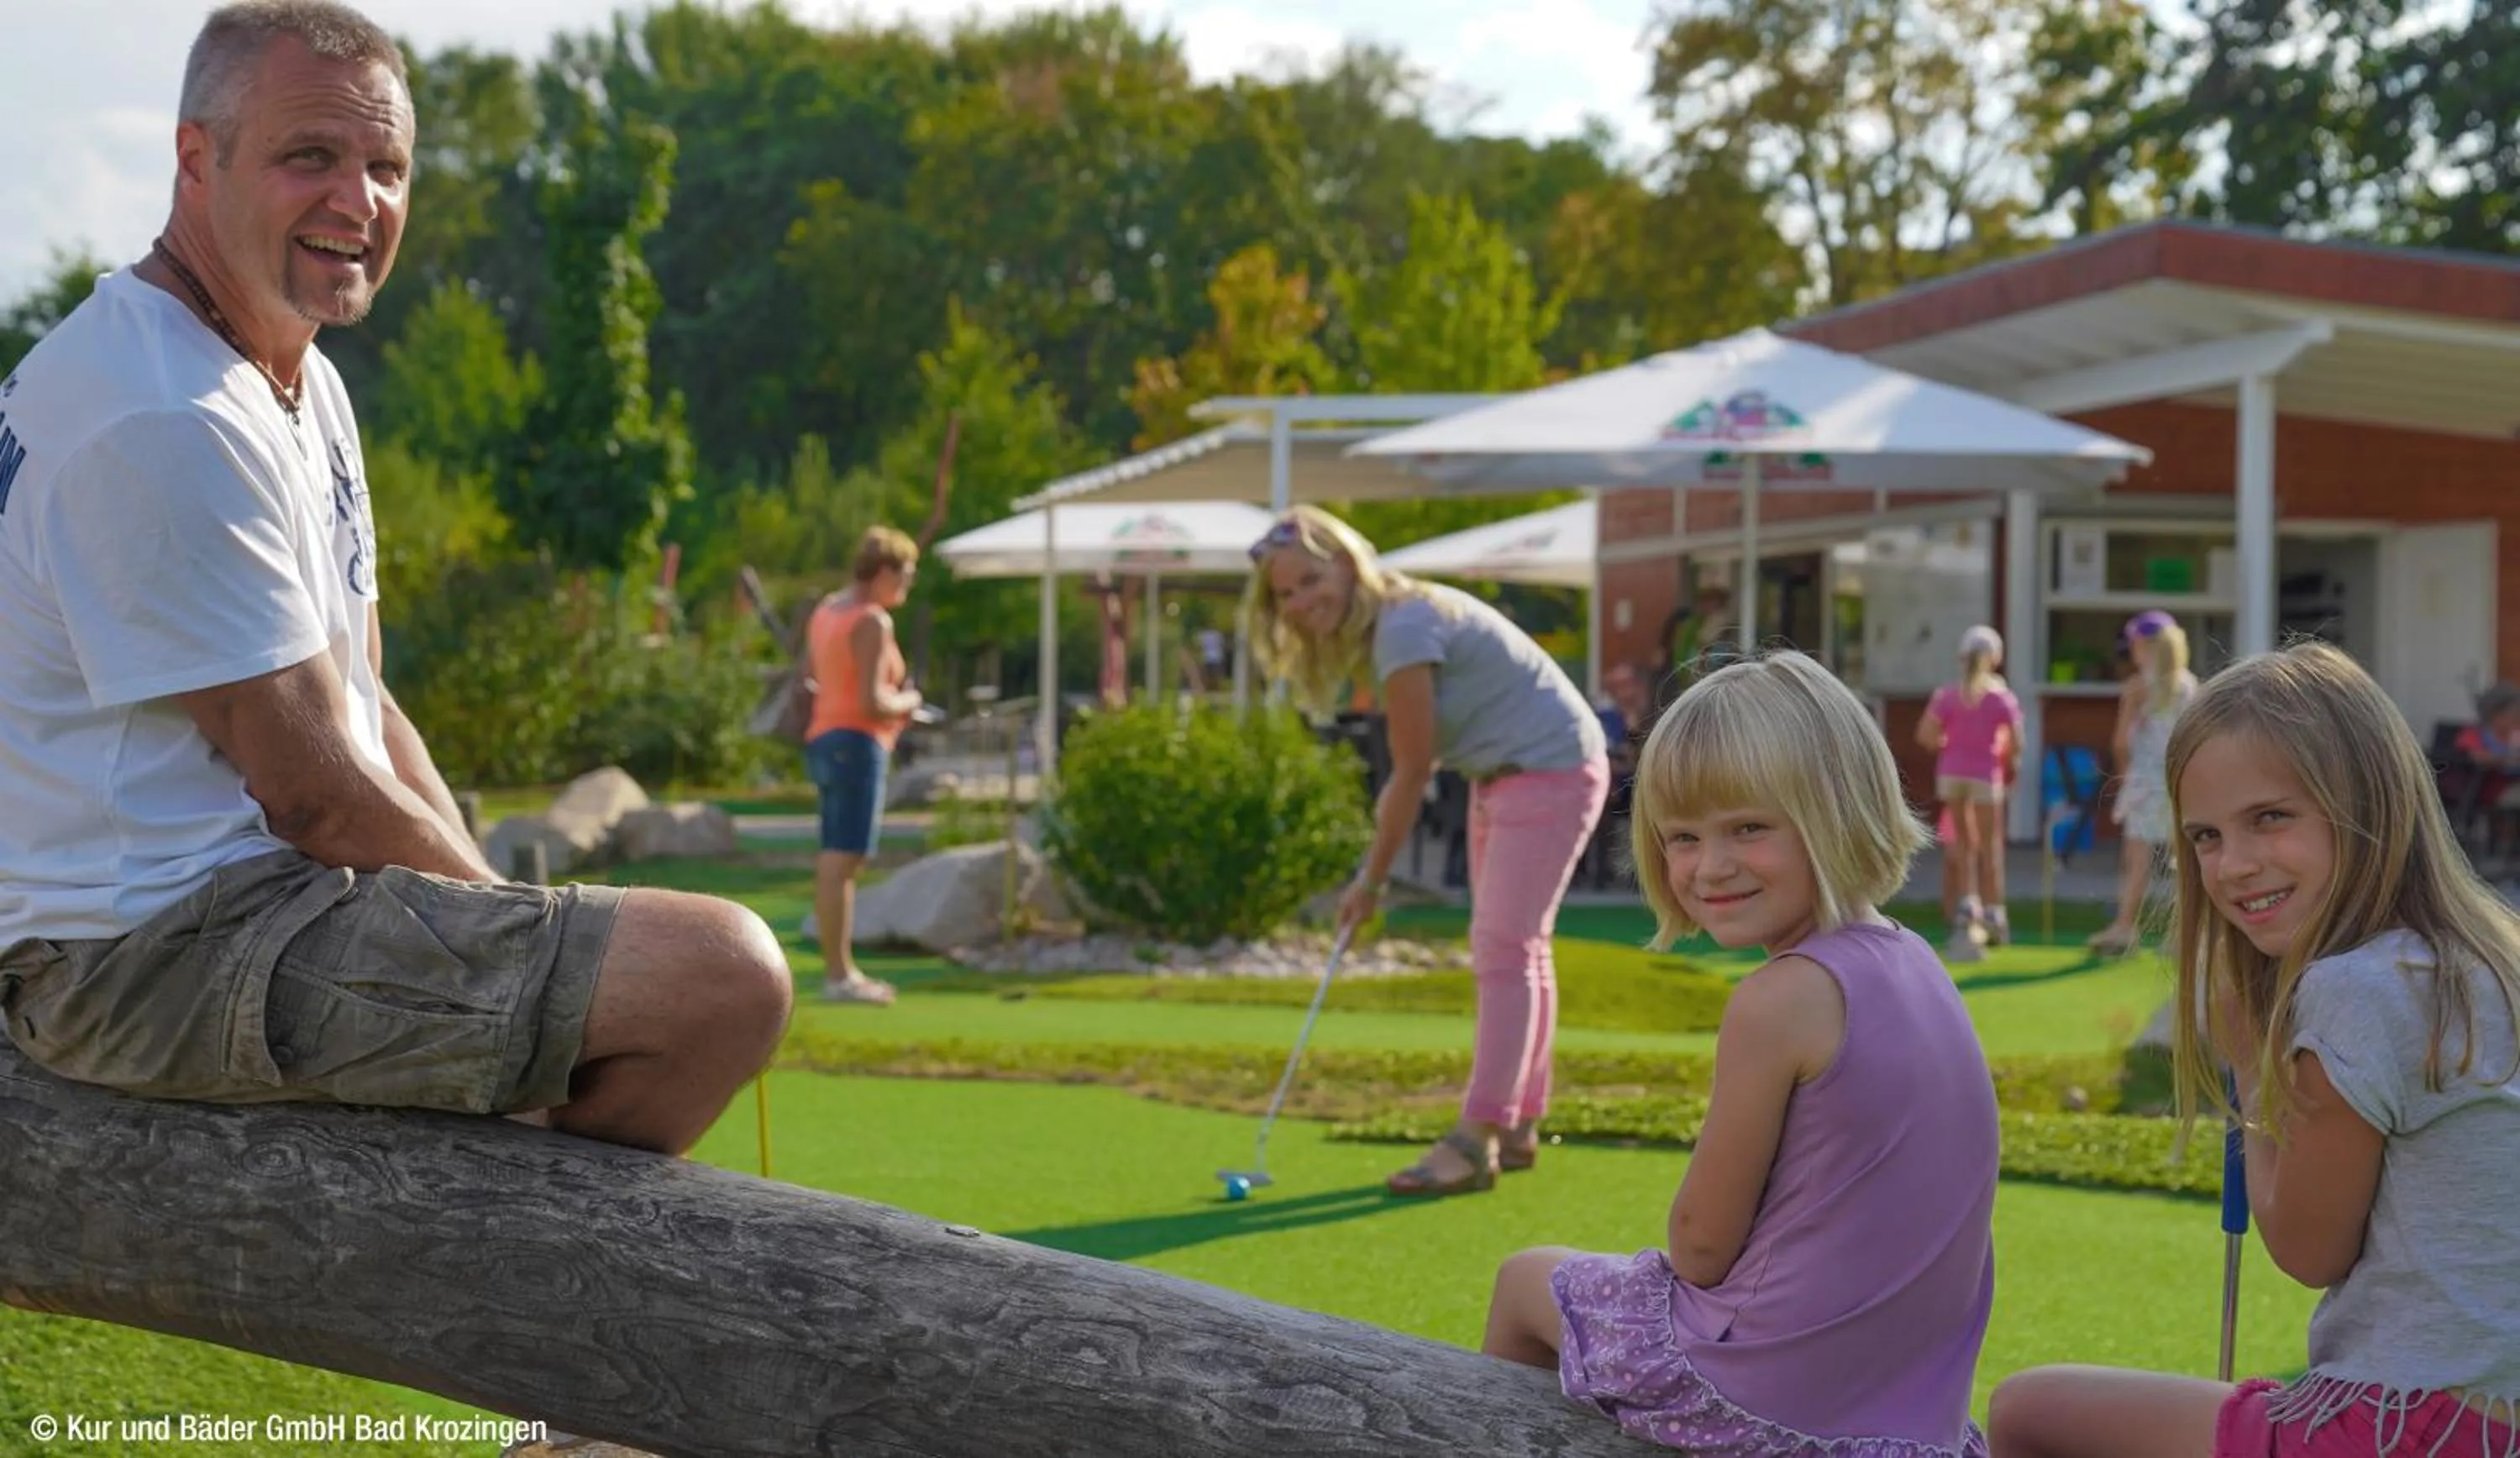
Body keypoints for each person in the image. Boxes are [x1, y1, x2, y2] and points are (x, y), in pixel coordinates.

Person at [0, 0, 790, 1158]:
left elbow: (364, 711)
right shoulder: (158, 409)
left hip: (241, 912)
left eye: (386, 167)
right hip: (131, 955)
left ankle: (514, 1252)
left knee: (673, 982)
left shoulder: (295, 380)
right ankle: (530, 1284)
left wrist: (506, 927)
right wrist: (513, 931)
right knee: (725, 981)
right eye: (309, 157)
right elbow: (316, 792)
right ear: (195, 158)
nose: (357, 203)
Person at [1987, 642, 2520, 1458]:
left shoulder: (2356, 989)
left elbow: (2308, 1249)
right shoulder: (2483, 959)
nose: (2233, 865)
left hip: (2410, 1423)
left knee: (2026, 1409)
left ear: (2368, 804)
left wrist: (2245, 1058)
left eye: (2270, 817)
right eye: (2204, 835)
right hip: (2487, 1414)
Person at [1481, 650, 1998, 1456]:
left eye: (1748, 828)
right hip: (1907, 1424)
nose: (1710, 867)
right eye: (1682, 837)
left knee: (1525, 1279)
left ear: (1836, 811)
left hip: (1770, 1406)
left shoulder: (1780, 999)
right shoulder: (1918, 962)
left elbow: (1702, 1247)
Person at [1245, 505, 1608, 1197]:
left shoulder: (1404, 626)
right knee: (1520, 948)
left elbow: (1410, 773)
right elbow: (1420, 766)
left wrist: (1370, 883)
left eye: (1308, 581)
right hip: (1506, 773)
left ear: (1348, 564)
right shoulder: (1396, 620)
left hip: (1548, 770)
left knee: (1504, 948)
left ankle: (1477, 1139)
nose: (1297, 603)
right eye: (1283, 595)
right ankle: (1521, 1122)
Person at [804, 526, 925, 1004]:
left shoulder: (827, 610)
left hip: (825, 738)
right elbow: (874, 702)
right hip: (857, 740)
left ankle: (840, 971)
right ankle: (840, 975)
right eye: (906, 576)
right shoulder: (872, 621)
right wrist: (910, 699)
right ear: (884, 572)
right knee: (842, 859)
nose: (907, 587)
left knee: (837, 857)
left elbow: (823, 678)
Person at [2087, 610, 2197, 957]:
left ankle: (2124, 927)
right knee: (2186, 861)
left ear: (2146, 646)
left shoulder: (2138, 687)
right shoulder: (2190, 686)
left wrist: (2123, 775)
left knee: (2137, 859)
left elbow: (2121, 741)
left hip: (2145, 782)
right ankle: (2184, 935)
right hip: (2180, 781)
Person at [1918, 625, 2023, 961]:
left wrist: (1949, 744)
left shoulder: (1947, 695)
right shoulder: (2000, 697)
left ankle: (1968, 906)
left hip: (1951, 774)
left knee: (1964, 845)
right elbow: (2017, 743)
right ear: (1995, 658)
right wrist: (2009, 769)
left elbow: (1926, 736)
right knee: (1990, 846)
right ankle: (1994, 911)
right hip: (1984, 776)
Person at [1658, 583, 1738, 709]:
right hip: (1690, 673)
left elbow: (1707, 643)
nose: (1708, 606)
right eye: (1706, 602)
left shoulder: (1721, 621)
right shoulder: (1692, 624)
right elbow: (1686, 649)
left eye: (1713, 602)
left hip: (1711, 673)